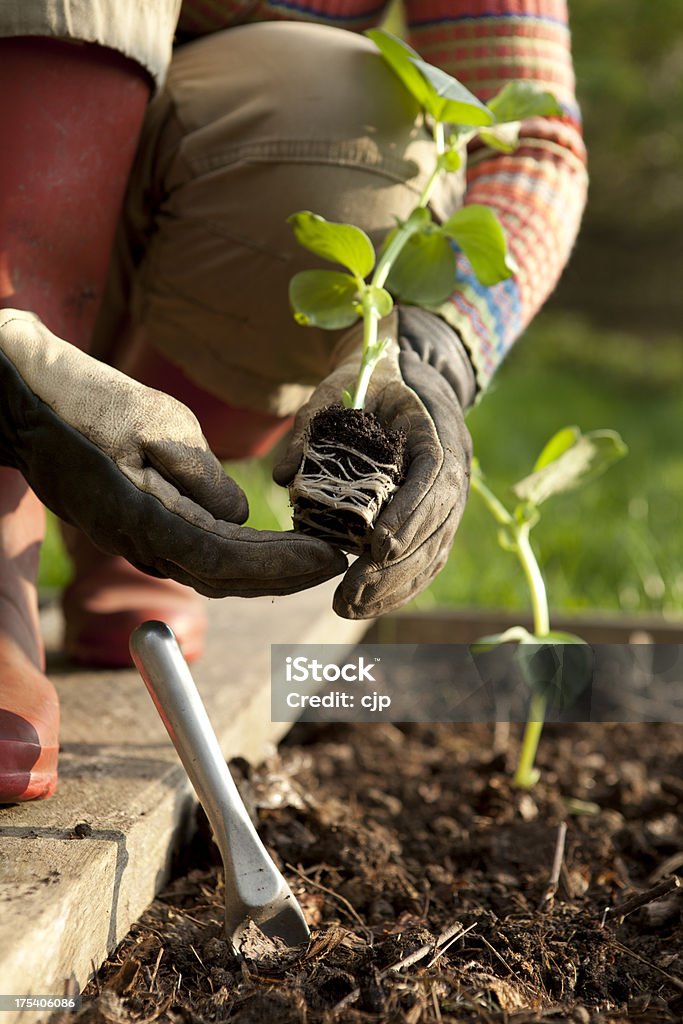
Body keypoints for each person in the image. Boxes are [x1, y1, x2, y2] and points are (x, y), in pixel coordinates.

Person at [0, 0, 587, 802]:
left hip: (186, 186)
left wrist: (436, 346)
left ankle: (153, 491)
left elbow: (534, 150)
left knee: (350, 125)